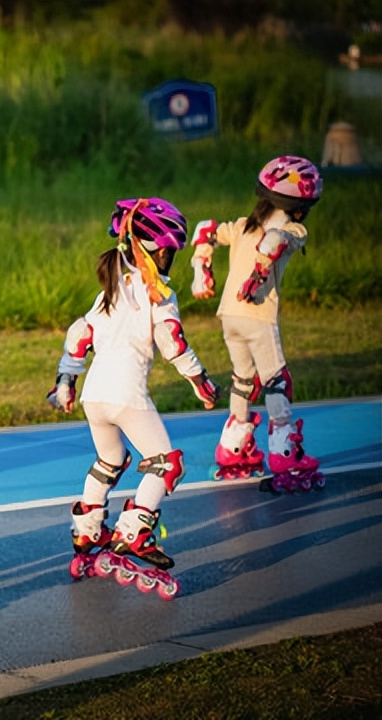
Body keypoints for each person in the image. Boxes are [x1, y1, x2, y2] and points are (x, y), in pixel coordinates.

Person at [48, 198, 219, 580]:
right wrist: (201, 381)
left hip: (95, 397)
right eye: (171, 253)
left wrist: (66, 380)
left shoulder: (111, 288)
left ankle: (88, 530)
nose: (171, 259)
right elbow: (172, 342)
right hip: (126, 396)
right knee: (167, 463)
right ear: (159, 252)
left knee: (110, 460)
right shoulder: (159, 294)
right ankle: (134, 531)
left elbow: (80, 334)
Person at [189, 155, 324, 492]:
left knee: (243, 380)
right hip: (258, 315)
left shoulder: (242, 226)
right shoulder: (294, 229)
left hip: (229, 316)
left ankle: (234, 447)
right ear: (300, 207)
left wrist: (201, 271)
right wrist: (259, 274)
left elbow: (205, 229)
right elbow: (274, 240)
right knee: (277, 382)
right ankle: (285, 454)